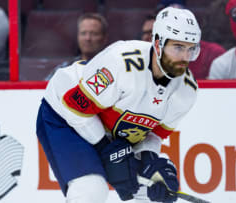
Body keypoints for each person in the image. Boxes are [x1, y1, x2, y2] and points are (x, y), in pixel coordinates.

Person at [36, 7, 201, 203]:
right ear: (158, 44)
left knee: (148, 192)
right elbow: (75, 107)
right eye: (178, 47)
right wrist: (107, 149)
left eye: (191, 49)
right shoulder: (121, 62)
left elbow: (154, 135)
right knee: (91, 190)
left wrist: (149, 161)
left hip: (107, 131)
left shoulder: (186, 91)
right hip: (64, 114)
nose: (184, 57)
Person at [45, 13, 108, 80]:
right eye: (83, 33)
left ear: (104, 38)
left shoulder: (114, 67)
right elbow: (43, 88)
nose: (88, 38)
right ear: (78, 36)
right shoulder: (65, 68)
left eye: (94, 34)